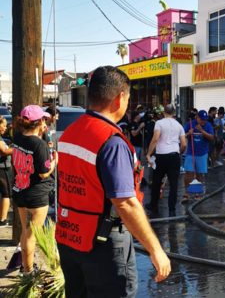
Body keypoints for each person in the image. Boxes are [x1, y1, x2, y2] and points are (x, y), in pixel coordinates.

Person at [56, 66, 170, 297]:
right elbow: (125, 203)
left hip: (69, 237)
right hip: (103, 245)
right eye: (128, 98)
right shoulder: (111, 141)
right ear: (119, 99)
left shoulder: (70, 132)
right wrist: (156, 249)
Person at [12, 105, 57, 275]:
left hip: (20, 189)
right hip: (36, 194)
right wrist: (55, 161)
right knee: (32, 236)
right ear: (39, 122)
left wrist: (40, 134)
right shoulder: (40, 145)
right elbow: (44, 173)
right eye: (44, 119)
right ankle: (28, 272)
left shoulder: (17, 137)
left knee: (25, 232)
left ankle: (26, 267)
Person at [145, 104, 187, 217]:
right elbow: (184, 144)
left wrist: (148, 153)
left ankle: (154, 205)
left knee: (157, 181)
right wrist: (179, 152)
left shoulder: (159, 123)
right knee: (174, 183)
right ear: (174, 112)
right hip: (174, 155)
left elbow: (155, 139)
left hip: (161, 155)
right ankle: (172, 209)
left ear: (164, 113)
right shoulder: (178, 125)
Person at [182, 110, 214, 202]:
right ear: (197, 118)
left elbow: (211, 137)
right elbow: (182, 135)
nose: (204, 121)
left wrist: (201, 131)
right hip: (190, 152)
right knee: (188, 172)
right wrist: (189, 133)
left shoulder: (208, 125)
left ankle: (197, 193)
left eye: (205, 120)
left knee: (199, 173)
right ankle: (186, 192)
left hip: (202, 153)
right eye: (202, 119)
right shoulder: (190, 123)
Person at [0, 116, 13, 227]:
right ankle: (3, 220)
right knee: (6, 193)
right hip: (1, 169)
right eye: (3, 125)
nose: (5, 127)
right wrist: (15, 148)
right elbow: (3, 151)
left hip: (3, 167)